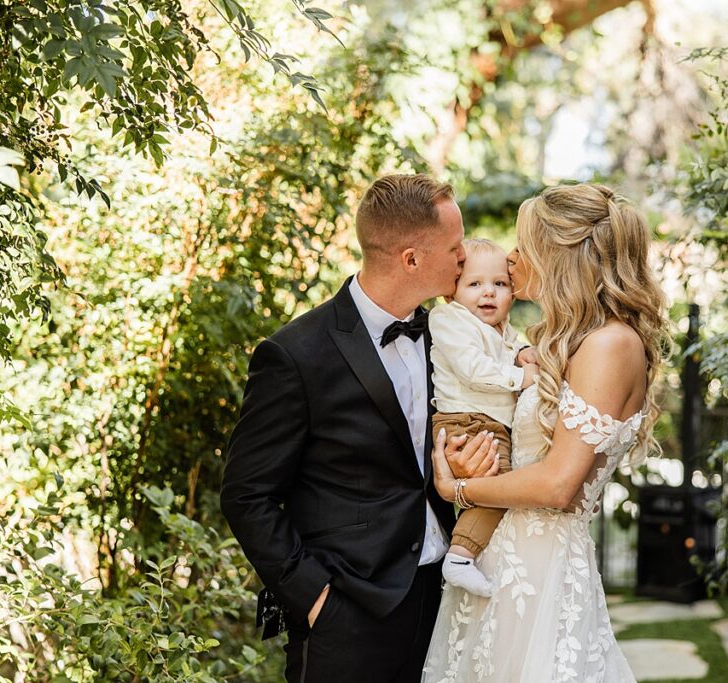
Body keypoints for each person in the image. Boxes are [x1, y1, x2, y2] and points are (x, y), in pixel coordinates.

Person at [220, 174, 499, 683]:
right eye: (455, 247)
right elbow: (246, 495)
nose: (465, 257)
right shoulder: (295, 354)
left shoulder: (451, 335)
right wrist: (314, 598)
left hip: (444, 601)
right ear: (411, 258)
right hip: (348, 615)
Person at [422, 183, 668, 683]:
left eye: (522, 245)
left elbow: (558, 484)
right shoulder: (567, 342)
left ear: (559, 254)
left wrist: (458, 488)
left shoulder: (609, 345)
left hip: (539, 571)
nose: (510, 260)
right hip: (502, 557)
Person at [428, 238, 539, 597]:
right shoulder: (448, 318)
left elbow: (511, 346)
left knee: (499, 490)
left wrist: (522, 351)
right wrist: (520, 377)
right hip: (465, 421)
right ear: (452, 292)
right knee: (500, 489)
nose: (488, 293)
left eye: (500, 284)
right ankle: (460, 556)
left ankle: (468, 552)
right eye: (474, 284)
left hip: (490, 423)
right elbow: (472, 368)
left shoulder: (504, 329)